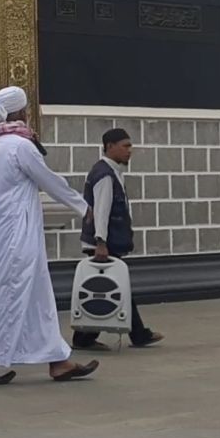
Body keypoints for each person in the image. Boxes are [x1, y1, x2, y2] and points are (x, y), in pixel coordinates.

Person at [0, 86, 100, 385]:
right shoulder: (18, 146)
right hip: (15, 235)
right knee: (3, 294)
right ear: (21, 112)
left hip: (11, 232)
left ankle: (58, 361)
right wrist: (82, 205)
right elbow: (49, 180)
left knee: (37, 295)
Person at [74, 128, 164, 350]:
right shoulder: (105, 175)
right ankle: (84, 339)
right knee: (107, 288)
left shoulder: (111, 172)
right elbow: (101, 211)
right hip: (104, 244)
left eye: (130, 146)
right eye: (125, 146)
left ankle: (138, 334)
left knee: (118, 288)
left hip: (105, 241)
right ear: (109, 146)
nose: (129, 151)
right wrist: (100, 242)